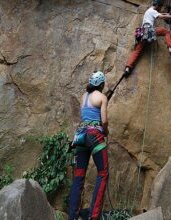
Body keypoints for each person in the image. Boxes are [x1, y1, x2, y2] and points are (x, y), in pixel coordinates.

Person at [68, 71, 109, 220]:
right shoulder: (102, 97)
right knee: (103, 173)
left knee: (79, 176)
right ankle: (94, 216)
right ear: (102, 85)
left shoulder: (83, 97)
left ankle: (72, 216)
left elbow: (87, 115)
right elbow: (103, 121)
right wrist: (106, 132)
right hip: (94, 136)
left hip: (81, 136)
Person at [124, 0, 171, 77]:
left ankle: (127, 68)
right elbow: (160, 16)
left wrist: (165, 14)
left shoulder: (148, 11)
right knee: (166, 32)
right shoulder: (153, 11)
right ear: (157, 6)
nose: (159, 9)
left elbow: (159, 14)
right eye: (159, 7)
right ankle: (170, 48)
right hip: (149, 31)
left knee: (137, 50)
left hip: (142, 33)